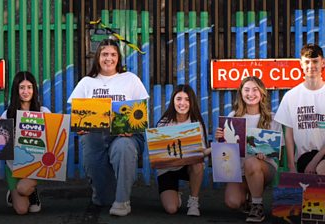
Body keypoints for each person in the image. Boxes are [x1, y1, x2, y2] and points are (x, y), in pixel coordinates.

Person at [67, 38, 149, 216]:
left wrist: (132, 129)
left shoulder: (130, 79)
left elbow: (140, 113)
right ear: (98, 57)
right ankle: (103, 195)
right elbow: (77, 113)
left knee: (124, 146)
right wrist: (80, 126)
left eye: (113, 54)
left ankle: (122, 202)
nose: (108, 58)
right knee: (103, 200)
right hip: (96, 136)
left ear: (118, 58)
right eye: (104, 54)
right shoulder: (87, 83)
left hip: (126, 136)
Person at [215, 76, 282, 222]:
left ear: (262, 93)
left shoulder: (272, 118)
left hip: (264, 167)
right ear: (241, 93)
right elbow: (225, 152)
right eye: (246, 90)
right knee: (232, 202)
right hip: (239, 170)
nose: (250, 94)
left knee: (252, 162)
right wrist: (220, 138)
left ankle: (257, 206)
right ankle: (248, 197)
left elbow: (277, 151)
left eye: (255, 90)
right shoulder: (234, 116)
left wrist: (265, 154)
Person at [0, 71, 50, 215]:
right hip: (14, 167)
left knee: (23, 188)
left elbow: (53, 142)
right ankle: (14, 193)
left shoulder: (44, 112)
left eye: (29, 87)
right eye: (22, 87)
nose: (26, 91)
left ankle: (31, 192)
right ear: (16, 90)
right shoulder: (6, 114)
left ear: (34, 89)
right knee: (21, 210)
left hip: (36, 167)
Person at [156, 84, 208, 216]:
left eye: (187, 99)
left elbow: (200, 153)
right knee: (171, 209)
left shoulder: (196, 124)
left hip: (189, 165)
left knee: (198, 162)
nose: (182, 103)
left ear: (192, 103)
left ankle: (193, 201)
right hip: (168, 168)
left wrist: (213, 149)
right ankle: (175, 194)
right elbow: (160, 158)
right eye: (179, 99)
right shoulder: (163, 123)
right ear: (173, 101)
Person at [275, 43, 325, 175]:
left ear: (323, 63)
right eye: (307, 62)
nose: (311, 66)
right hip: (305, 157)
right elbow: (289, 134)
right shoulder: (291, 96)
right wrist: (292, 167)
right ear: (301, 64)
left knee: (322, 169)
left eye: (315, 61)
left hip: (321, 156)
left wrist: (315, 162)